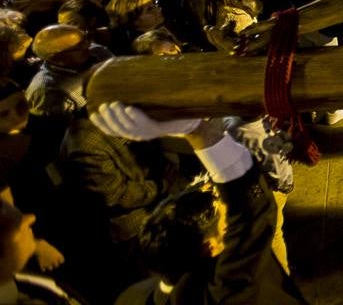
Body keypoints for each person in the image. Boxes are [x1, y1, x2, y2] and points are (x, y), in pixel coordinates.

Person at [89, 103, 307, 303]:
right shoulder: (233, 291)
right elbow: (256, 212)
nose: (232, 222)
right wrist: (199, 133)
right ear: (209, 247)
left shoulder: (131, 297)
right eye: (226, 224)